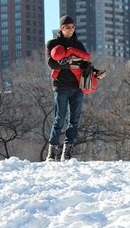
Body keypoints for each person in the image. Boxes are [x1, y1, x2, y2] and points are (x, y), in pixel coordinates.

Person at [45, 15, 106, 161]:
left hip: (78, 87)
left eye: (73, 27)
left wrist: (96, 73)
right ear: (61, 28)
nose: (71, 29)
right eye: (67, 27)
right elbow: (51, 64)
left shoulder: (79, 45)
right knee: (59, 118)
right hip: (60, 85)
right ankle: (52, 152)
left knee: (74, 120)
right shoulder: (52, 43)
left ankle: (67, 152)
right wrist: (64, 64)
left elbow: (85, 65)